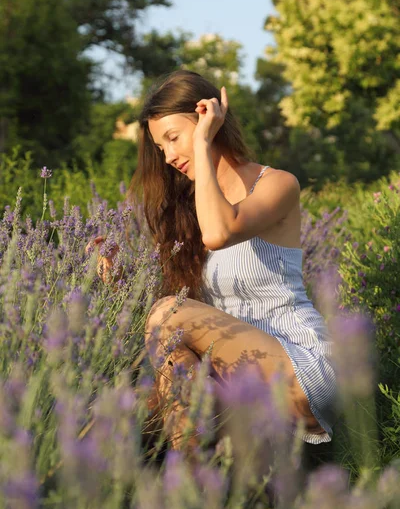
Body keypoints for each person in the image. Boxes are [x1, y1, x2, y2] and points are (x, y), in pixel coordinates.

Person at [91, 69, 336, 454]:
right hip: (235, 380)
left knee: (169, 323)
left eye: (173, 138)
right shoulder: (192, 212)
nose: (168, 156)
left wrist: (203, 143)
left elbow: (221, 233)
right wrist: (119, 280)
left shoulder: (277, 185)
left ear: (209, 118)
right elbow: (174, 320)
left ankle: (190, 492)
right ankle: (188, 496)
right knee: (128, 411)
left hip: (296, 368)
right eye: (160, 147)